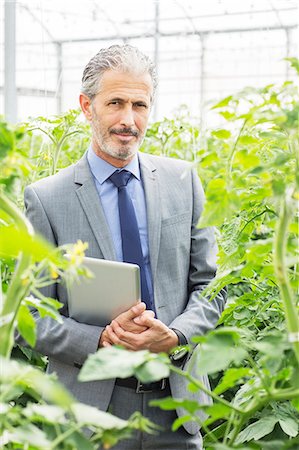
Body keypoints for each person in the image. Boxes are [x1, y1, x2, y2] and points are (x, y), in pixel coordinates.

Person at [23, 45, 226, 449]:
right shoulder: (47, 199)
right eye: (115, 103)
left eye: (140, 105)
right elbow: (30, 317)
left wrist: (176, 335)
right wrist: (100, 339)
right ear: (87, 106)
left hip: (176, 405)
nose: (128, 120)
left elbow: (214, 287)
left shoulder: (182, 182)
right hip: (89, 412)